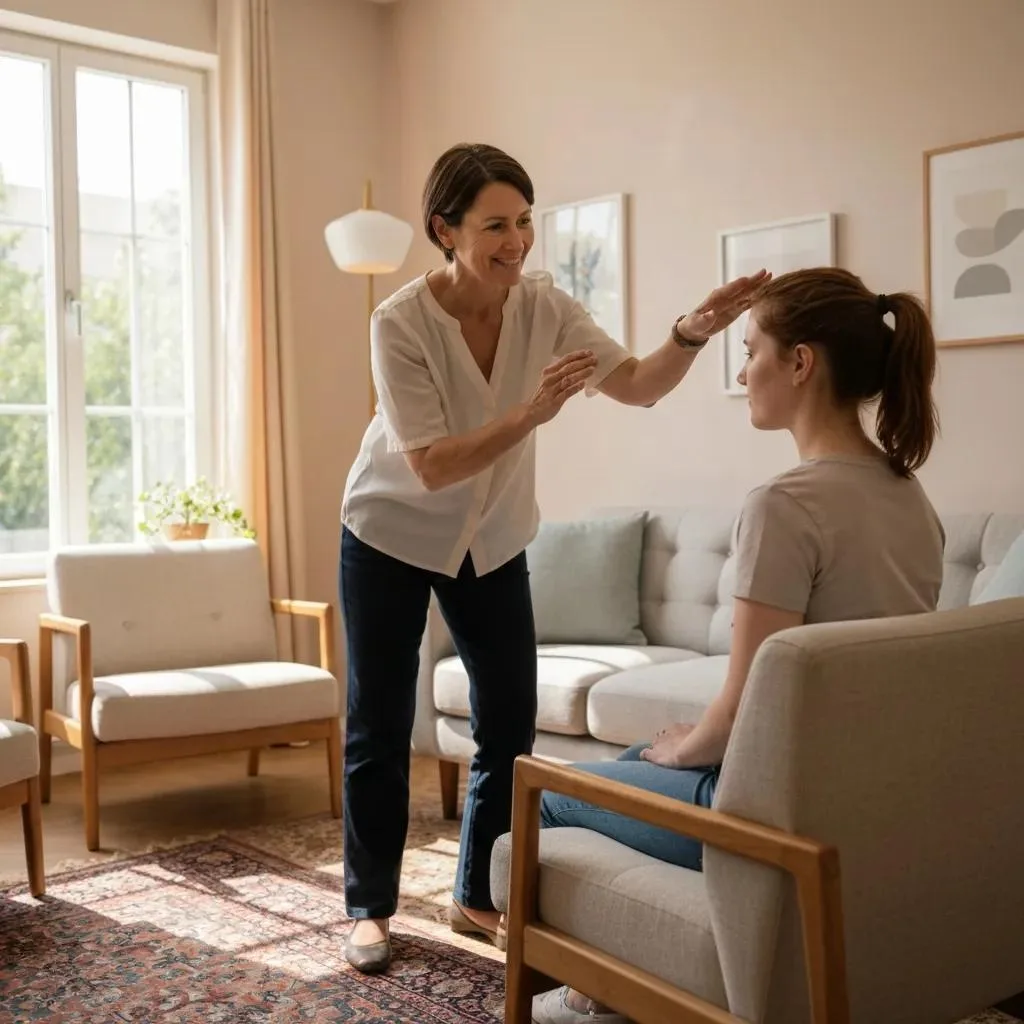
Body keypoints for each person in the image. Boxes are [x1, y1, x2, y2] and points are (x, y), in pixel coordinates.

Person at [338, 142, 768, 974]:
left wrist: (691, 331)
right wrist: (534, 413)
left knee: (508, 720)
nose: (518, 240)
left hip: (492, 537)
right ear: (446, 230)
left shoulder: (545, 306)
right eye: (496, 224)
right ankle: (370, 908)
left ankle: (477, 892)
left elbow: (638, 384)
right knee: (380, 725)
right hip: (391, 532)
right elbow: (429, 464)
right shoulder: (398, 323)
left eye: (526, 221)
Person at [529, 266, 945, 1024]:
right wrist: (686, 743)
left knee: (554, 794)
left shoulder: (784, 507)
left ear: (800, 362)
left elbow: (745, 706)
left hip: (777, 818)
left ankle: (601, 996)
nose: (744, 367)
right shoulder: (908, 495)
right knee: (628, 760)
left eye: (751, 347)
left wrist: (688, 746)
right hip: (874, 803)